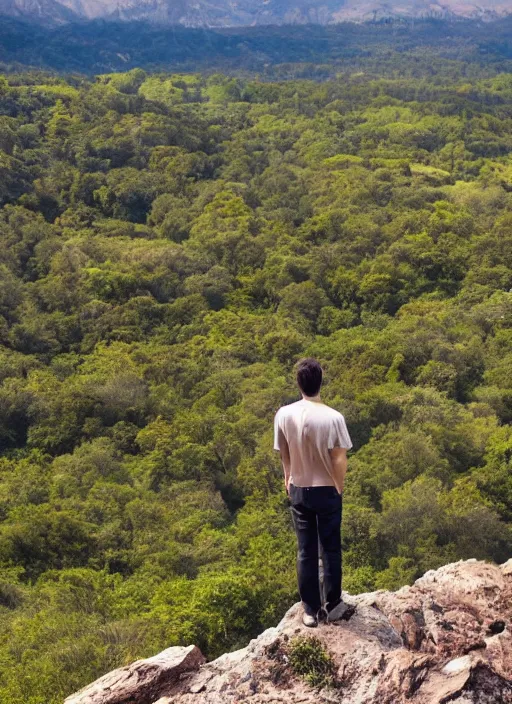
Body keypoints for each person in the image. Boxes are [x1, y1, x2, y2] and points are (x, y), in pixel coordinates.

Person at [273, 357, 354, 628]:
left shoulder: (283, 414)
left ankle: (309, 609)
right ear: (321, 382)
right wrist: (338, 485)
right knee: (330, 547)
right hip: (327, 488)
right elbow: (339, 458)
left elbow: (284, 452)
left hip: (299, 487)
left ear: (299, 384)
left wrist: (288, 477)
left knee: (305, 550)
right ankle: (332, 605)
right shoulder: (333, 417)